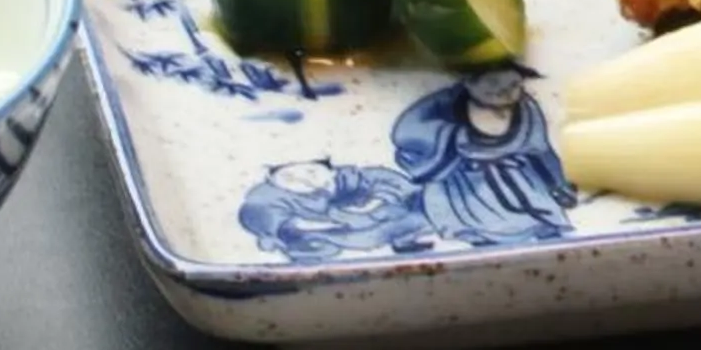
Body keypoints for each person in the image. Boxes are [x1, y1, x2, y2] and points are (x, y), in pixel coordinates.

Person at [388, 64, 575, 246]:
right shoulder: (444, 105)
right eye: (494, 84)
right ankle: (477, 236)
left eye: (514, 85)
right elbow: (406, 132)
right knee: (475, 213)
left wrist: (558, 184)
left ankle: (544, 231)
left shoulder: (526, 109)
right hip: (465, 181)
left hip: (517, 175)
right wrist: (453, 138)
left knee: (537, 204)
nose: (506, 92)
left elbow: (541, 150)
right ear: (469, 82)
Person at [236, 158, 435, 262]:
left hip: (370, 218)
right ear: (272, 181)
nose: (304, 179)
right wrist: (322, 225)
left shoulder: (349, 177)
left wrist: (378, 203)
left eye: (311, 171)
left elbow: (392, 183)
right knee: (316, 243)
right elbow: (262, 215)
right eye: (288, 178)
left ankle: (404, 240)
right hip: (324, 231)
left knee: (415, 217)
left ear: (330, 169)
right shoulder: (265, 198)